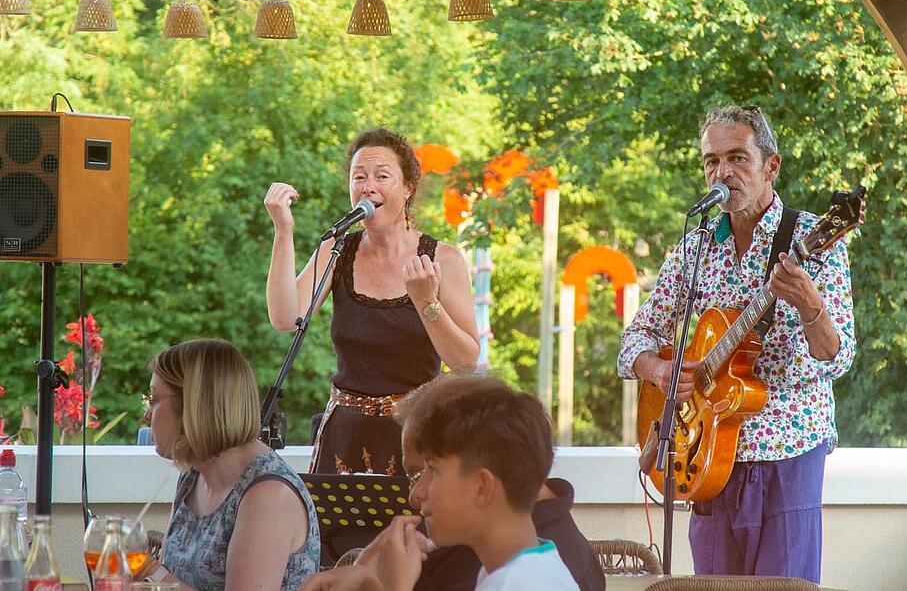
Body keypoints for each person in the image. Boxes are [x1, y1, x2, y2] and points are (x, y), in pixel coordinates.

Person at [618, 105, 856, 583]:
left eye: (737, 158)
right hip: (705, 456)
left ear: (771, 166)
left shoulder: (813, 240)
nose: (722, 172)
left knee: (783, 588)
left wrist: (810, 304)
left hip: (787, 451)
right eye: (712, 161)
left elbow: (838, 356)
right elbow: (634, 341)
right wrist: (661, 371)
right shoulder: (696, 247)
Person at [264, 126, 479, 483]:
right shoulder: (338, 250)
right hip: (344, 438)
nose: (368, 186)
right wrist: (283, 231)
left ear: (408, 187)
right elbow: (285, 317)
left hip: (417, 435)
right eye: (359, 177)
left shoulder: (443, 259)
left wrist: (427, 303)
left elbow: (465, 361)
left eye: (382, 176)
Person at [300, 372, 581, 591]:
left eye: (432, 471)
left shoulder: (520, 584)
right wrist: (367, 579)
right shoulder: (516, 570)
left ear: (482, 487)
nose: (417, 493)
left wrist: (396, 585)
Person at [145, 338, 320, 591]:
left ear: (194, 405)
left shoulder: (267, 494)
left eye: (154, 400)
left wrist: (150, 571)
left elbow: (164, 578)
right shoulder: (193, 477)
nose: (147, 414)